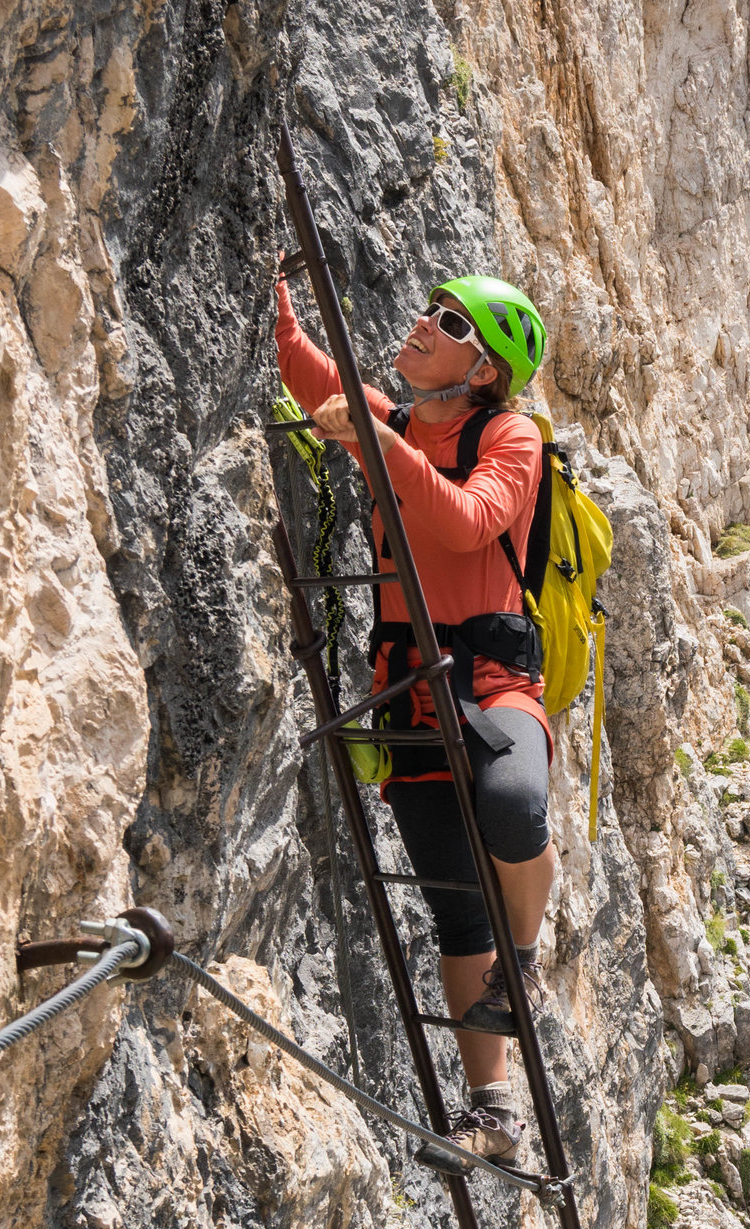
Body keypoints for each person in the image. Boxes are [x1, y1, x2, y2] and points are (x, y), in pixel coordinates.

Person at [275, 263, 555, 1159]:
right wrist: (275, 292)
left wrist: (379, 442)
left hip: (492, 685)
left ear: (483, 371)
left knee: (514, 806)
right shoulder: (391, 423)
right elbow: (305, 366)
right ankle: (493, 1114)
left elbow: (471, 523)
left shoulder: (511, 437)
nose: (423, 322)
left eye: (450, 321)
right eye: (430, 308)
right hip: (411, 692)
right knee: (451, 909)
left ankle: (525, 965)